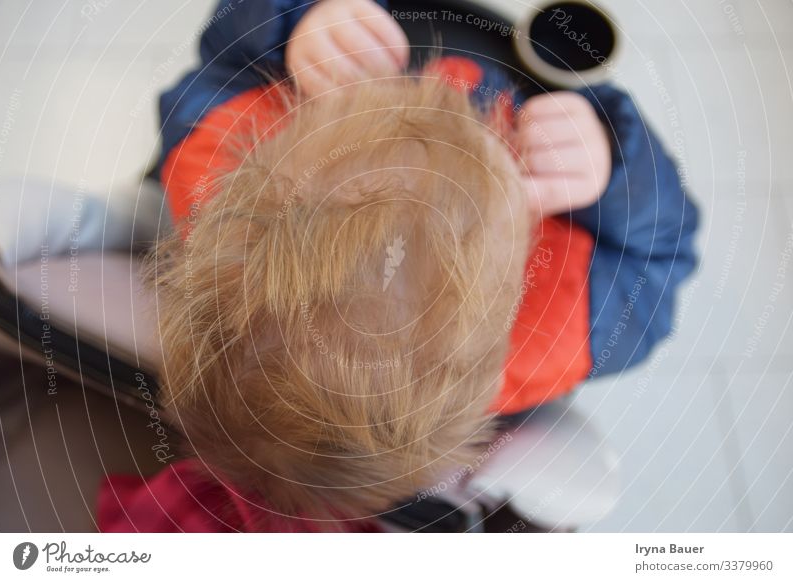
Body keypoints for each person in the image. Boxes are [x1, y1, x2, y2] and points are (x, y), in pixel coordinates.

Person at [99, 0, 698, 532]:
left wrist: (294, 24)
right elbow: (665, 255)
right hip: (534, 85)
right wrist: (612, 161)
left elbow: (213, 74)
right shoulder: (565, 326)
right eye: (495, 151)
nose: (442, 89)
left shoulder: (219, 163)